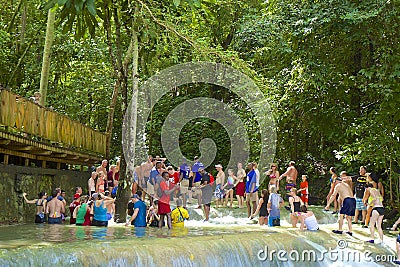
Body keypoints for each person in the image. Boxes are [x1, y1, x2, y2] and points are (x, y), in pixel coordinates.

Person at [362, 175, 384, 243]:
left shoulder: (370, 190)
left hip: (376, 209)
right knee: (379, 226)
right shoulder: (377, 191)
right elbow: (382, 199)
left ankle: (372, 239)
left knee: (371, 224)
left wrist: (369, 203)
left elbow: (374, 199)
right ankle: (381, 240)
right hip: (382, 209)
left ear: (368, 187)